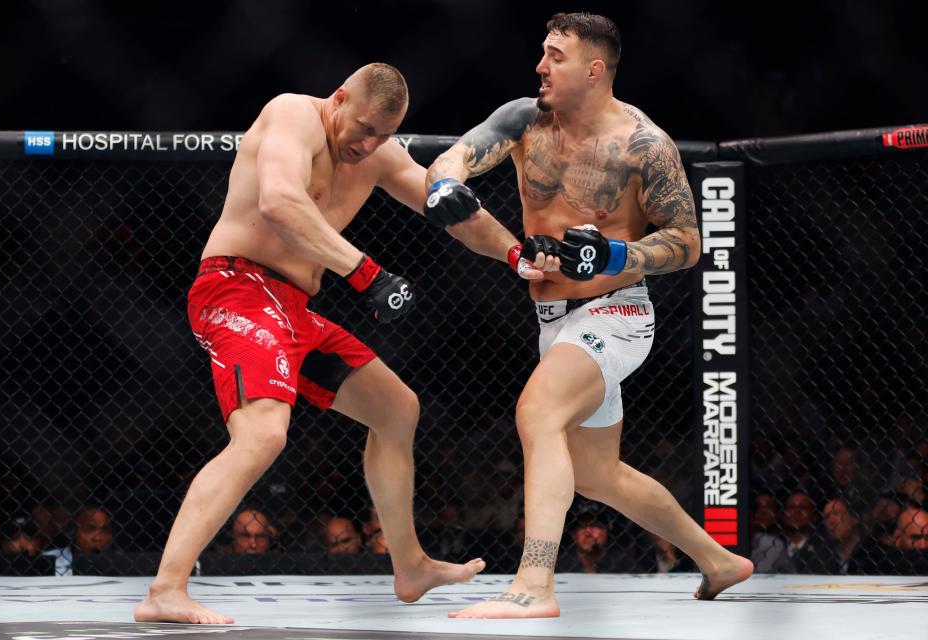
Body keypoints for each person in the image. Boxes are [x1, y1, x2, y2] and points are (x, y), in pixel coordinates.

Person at [134, 63, 538, 625]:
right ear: (340, 97)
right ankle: (166, 588)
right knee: (263, 435)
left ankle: (410, 566)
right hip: (237, 289)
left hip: (293, 309)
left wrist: (519, 257)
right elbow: (279, 201)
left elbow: (453, 211)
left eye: (382, 135)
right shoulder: (292, 115)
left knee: (397, 408)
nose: (368, 143)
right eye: (365, 127)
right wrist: (367, 274)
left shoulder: (378, 154)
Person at [425, 13, 752, 618]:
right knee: (597, 474)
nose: (540, 66)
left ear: (594, 69)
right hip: (554, 320)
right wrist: (446, 187)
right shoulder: (524, 119)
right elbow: (453, 159)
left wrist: (616, 251)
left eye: (555, 56)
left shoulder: (643, 143)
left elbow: (688, 241)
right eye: (542, 53)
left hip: (617, 311)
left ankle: (534, 585)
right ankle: (719, 560)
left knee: (537, 412)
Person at [42, 506, 114, 576]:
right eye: (89, 529)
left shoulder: (119, 562)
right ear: (74, 532)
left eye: (105, 530)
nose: (98, 538)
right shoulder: (49, 559)